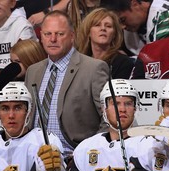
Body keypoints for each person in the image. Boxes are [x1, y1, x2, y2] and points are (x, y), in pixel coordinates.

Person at [34, 79, 156, 171]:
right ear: (104, 108)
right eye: (115, 103)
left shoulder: (147, 145)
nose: (122, 109)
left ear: (135, 108)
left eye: (128, 103)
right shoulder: (85, 148)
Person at [25, 10, 109, 158]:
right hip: (35, 157)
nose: (53, 39)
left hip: (75, 156)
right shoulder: (33, 71)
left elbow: (109, 117)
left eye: (60, 34)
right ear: (41, 38)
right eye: (47, 34)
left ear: (72, 36)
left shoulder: (94, 68)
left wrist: (90, 152)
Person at [100, 0, 169, 56]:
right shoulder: (134, 24)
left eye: (122, 20)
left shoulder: (163, 16)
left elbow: (160, 58)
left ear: (135, 4)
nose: (122, 27)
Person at [78, 8, 135, 79]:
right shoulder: (80, 64)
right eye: (97, 25)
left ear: (114, 34)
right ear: (88, 32)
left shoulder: (123, 62)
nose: (103, 28)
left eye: (108, 26)